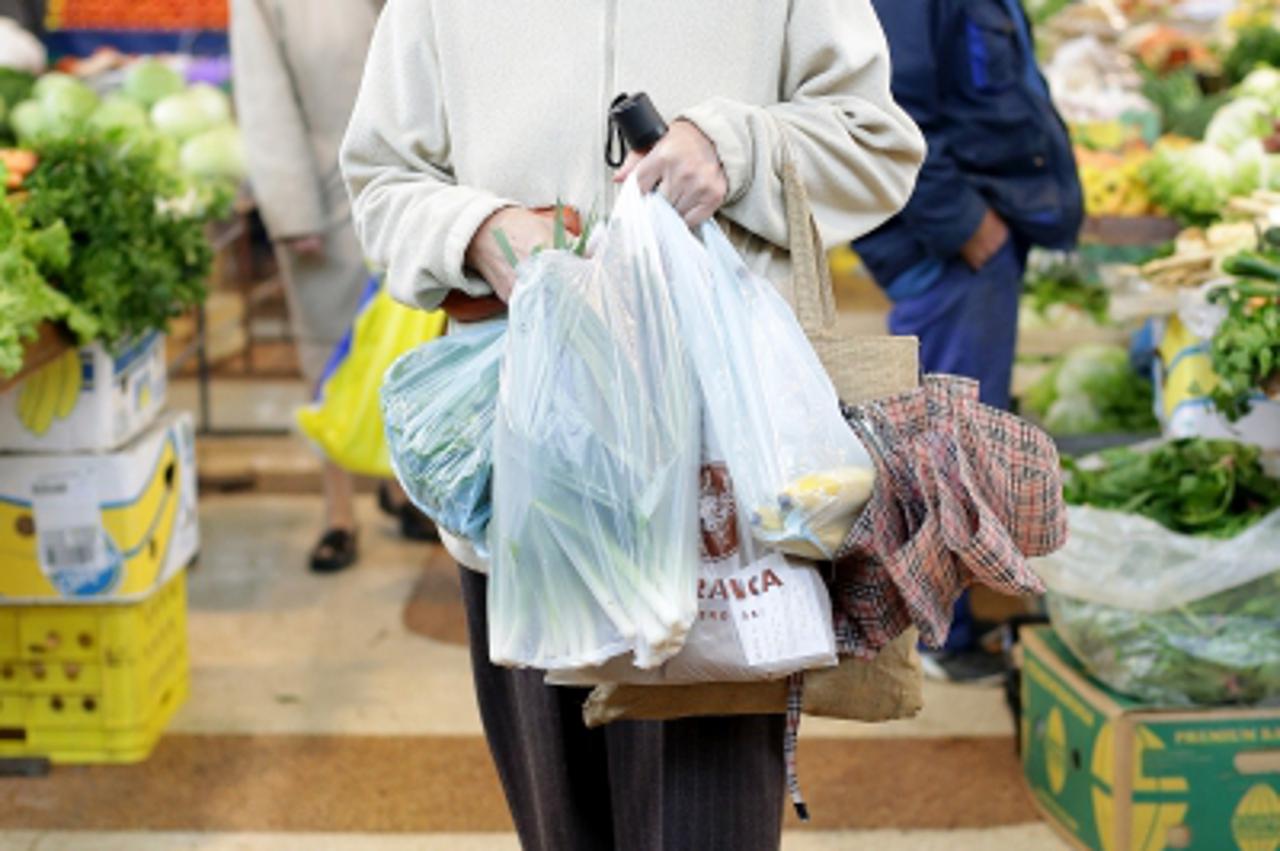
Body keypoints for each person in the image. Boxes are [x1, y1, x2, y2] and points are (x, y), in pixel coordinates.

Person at [341, 1, 924, 847]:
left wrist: (735, 148)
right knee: (559, 823)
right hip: (525, 473)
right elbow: (382, 182)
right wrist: (478, 231)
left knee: (705, 821)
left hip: (720, 482)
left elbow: (876, 141)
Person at [853, 0, 1083, 683]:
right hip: (951, 242)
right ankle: (933, 637)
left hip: (968, 236)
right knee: (945, 439)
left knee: (954, 432)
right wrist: (964, 224)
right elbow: (888, 108)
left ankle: (939, 622)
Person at [230, 0, 433, 573]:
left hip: (423, 182)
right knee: (329, 352)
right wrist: (291, 208)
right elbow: (263, 94)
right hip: (327, 188)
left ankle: (402, 486)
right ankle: (337, 511)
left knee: (413, 343)